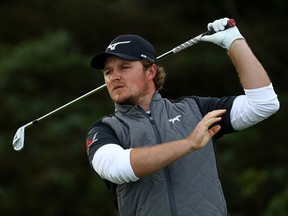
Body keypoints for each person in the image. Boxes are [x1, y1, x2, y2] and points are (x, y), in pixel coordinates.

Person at [85, 17, 280, 216]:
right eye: (108, 71)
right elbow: (117, 168)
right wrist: (189, 143)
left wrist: (234, 41)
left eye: (124, 67)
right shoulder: (104, 129)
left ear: (150, 71)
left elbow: (263, 104)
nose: (114, 76)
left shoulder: (194, 110)